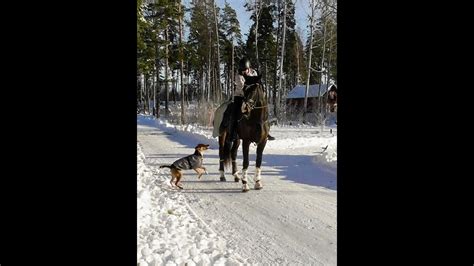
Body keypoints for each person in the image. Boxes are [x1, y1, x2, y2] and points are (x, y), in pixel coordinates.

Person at [224, 57, 275, 141]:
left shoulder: (254, 72)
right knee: (235, 113)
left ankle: (266, 132)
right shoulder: (238, 76)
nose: (244, 71)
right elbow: (242, 88)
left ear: (249, 68)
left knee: (262, 110)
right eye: (242, 70)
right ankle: (233, 133)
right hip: (240, 96)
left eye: (245, 69)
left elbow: (259, 84)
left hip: (252, 97)